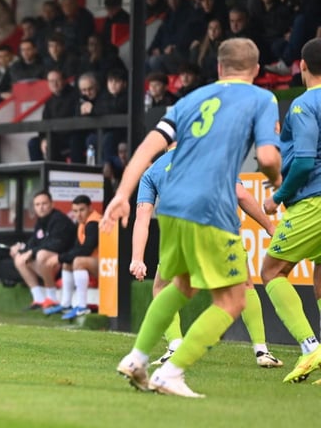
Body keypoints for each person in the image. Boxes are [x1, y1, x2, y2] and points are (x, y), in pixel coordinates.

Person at [101, 37, 282, 398]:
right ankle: (172, 372)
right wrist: (277, 183)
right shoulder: (263, 98)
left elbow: (148, 149)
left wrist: (122, 194)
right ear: (257, 70)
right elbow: (267, 156)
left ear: (218, 68)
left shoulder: (189, 99)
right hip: (211, 207)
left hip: (171, 209)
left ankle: (137, 357)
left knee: (179, 285)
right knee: (233, 299)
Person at [129, 147, 283, 369]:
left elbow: (142, 219)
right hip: (223, 231)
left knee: (162, 288)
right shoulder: (214, 154)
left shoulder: (152, 172)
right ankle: (262, 351)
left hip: (182, 235)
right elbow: (240, 194)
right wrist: (268, 226)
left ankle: (174, 346)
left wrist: (137, 258)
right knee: (245, 287)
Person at [260, 37, 321, 384]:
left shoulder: (303, 105)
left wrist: (278, 196)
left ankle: (310, 346)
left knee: (271, 271)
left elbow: (303, 161)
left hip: (313, 200)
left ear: (302, 65)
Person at [0, 190, 76, 316]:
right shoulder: (41, 221)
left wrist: (31, 251)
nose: (41, 207)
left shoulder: (60, 221)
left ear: (52, 204)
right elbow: (34, 241)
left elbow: (57, 245)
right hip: (34, 268)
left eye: (44, 203)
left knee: (7, 258)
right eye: (37, 204)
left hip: (56, 268)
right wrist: (21, 248)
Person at [43, 195, 102, 319]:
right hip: (98, 264)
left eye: (82, 210)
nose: (78, 214)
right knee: (67, 263)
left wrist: (59, 258)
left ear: (90, 208)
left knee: (78, 261)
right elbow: (76, 248)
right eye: (75, 211)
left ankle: (82, 306)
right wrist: (62, 258)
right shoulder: (82, 224)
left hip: (108, 266)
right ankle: (66, 304)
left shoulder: (93, 223)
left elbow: (86, 250)